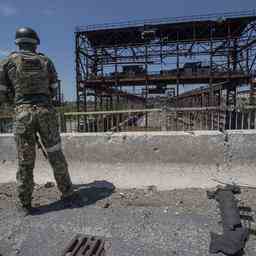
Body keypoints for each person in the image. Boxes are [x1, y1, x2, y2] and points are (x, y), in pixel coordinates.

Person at [0, 27, 81, 215]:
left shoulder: (6, 63)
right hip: (46, 112)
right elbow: (53, 89)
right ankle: (68, 194)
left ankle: (25, 204)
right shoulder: (46, 61)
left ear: (18, 43)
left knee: (25, 161)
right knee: (55, 154)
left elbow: (2, 95)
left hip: (22, 115)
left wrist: (19, 104)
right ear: (35, 43)